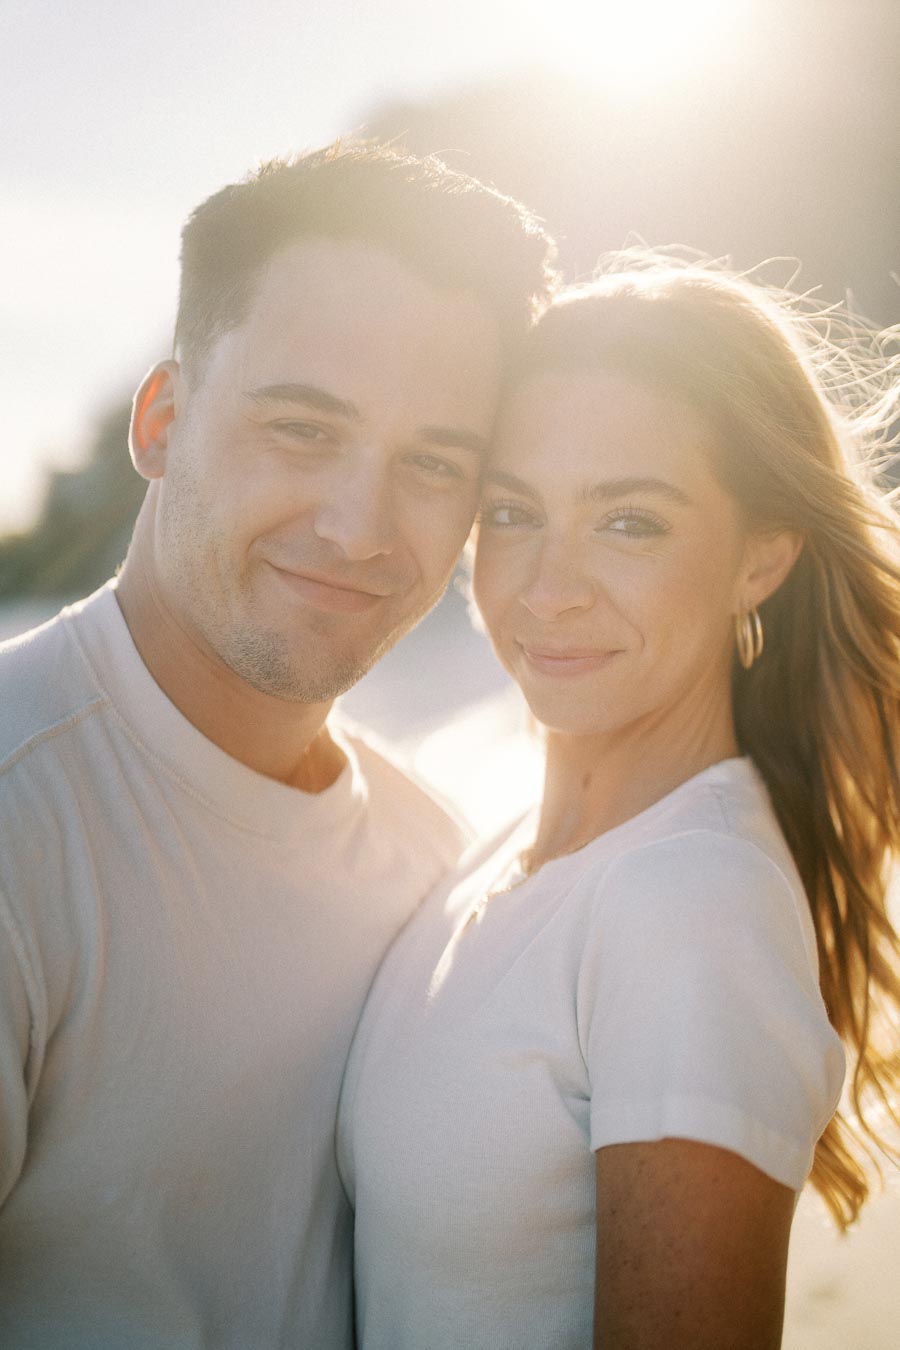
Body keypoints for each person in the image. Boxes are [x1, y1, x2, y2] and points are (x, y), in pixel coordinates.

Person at [0, 142, 555, 1348]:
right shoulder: (15, 814)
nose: (360, 527)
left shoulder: (438, 861)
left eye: (433, 464)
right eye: (304, 429)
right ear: (162, 420)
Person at [339, 254, 900, 1348]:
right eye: (512, 513)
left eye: (629, 522)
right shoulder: (496, 859)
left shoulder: (689, 902)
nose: (549, 586)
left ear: (764, 555)